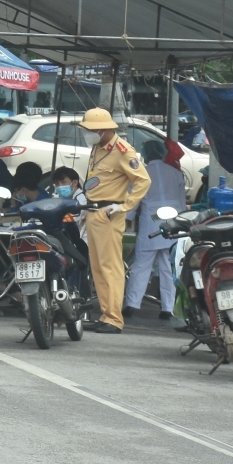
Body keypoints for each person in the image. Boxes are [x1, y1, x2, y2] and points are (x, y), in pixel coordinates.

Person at [78, 107, 149, 333]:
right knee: (98, 267)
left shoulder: (122, 150)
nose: (87, 134)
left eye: (91, 130)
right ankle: (106, 314)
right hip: (93, 212)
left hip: (109, 213)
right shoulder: (98, 148)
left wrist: (125, 206)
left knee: (111, 267)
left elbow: (143, 181)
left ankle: (114, 319)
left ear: (104, 129)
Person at [128, 139, 187, 327]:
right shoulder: (176, 173)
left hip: (150, 224)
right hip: (173, 224)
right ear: (163, 153)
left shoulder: (141, 174)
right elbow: (181, 202)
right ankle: (167, 308)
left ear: (144, 155)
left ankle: (131, 304)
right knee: (168, 269)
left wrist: (127, 218)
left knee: (141, 266)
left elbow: (133, 200)